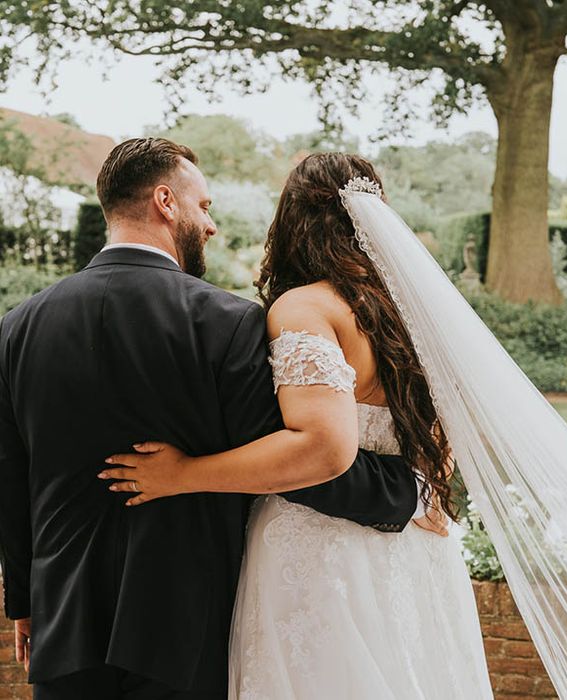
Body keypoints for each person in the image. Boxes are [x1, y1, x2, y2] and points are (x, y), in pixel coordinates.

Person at [0, 139, 424, 700]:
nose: (211, 226)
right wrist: (401, 489)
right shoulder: (226, 324)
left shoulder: (17, 327)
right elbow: (289, 455)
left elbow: (12, 474)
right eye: (205, 207)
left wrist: (26, 603)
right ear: (166, 201)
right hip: (183, 626)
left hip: (64, 622)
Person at [99, 153, 494, 699]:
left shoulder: (305, 308)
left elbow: (320, 449)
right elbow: (442, 441)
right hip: (418, 553)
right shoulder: (411, 313)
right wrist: (422, 488)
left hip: (319, 557)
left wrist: (182, 473)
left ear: (291, 220)